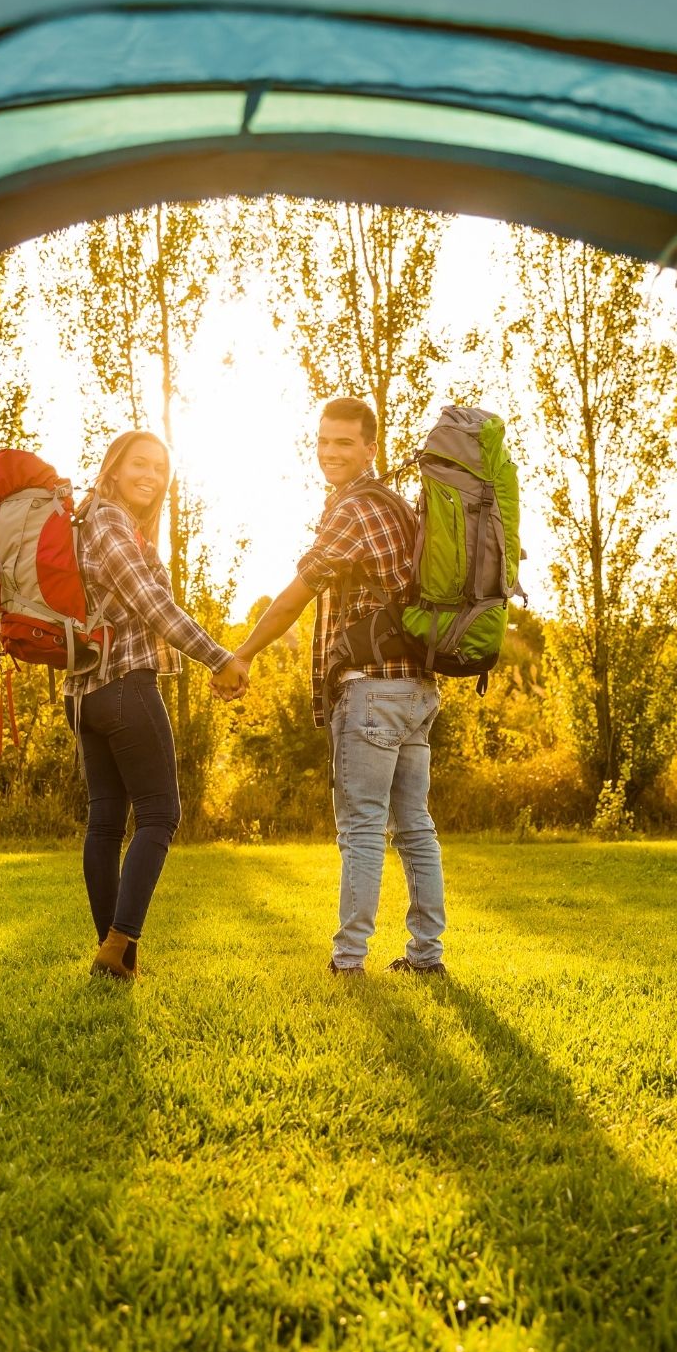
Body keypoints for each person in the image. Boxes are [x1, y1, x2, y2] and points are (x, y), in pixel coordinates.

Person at [219, 397, 445, 977]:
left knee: (363, 827)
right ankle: (426, 957)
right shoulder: (396, 506)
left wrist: (241, 653)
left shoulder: (353, 511)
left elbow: (295, 596)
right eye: (323, 441)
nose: (330, 453)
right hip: (416, 691)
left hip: (371, 690)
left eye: (344, 443)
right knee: (415, 826)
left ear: (371, 447)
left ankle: (348, 960)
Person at [69, 431, 247, 980]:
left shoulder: (85, 521)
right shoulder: (108, 520)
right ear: (114, 466)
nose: (151, 475)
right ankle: (119, 944)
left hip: (83, 696)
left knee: (106, 822)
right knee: (160, 814)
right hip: (125, 685)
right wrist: (219, 657)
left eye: (160, 468)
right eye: (140, 463)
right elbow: (153, 606)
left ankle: (115, 955)